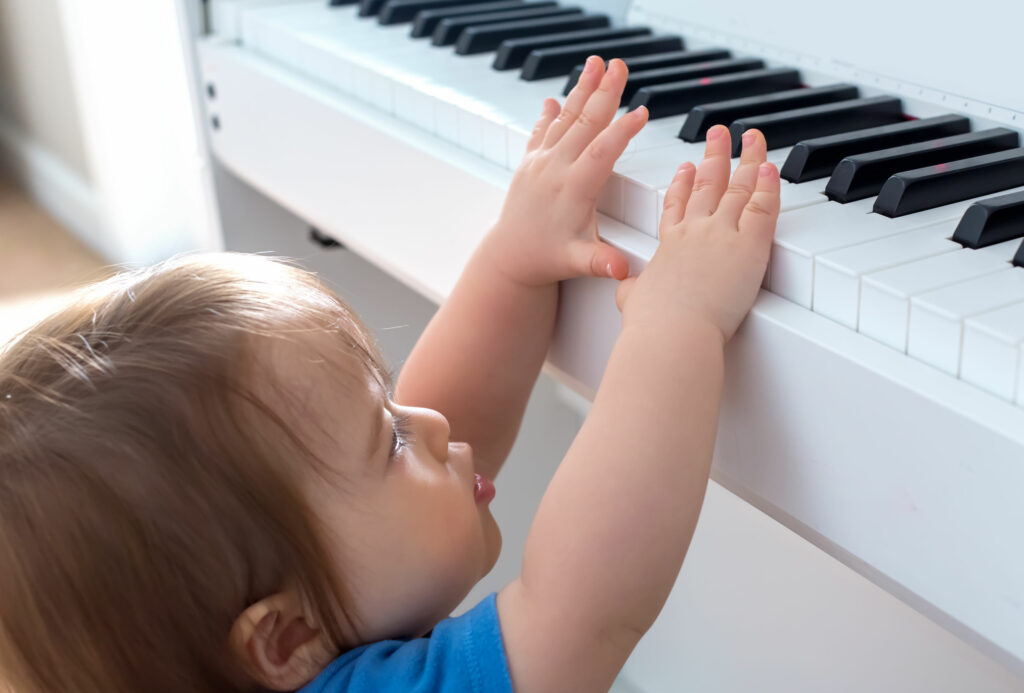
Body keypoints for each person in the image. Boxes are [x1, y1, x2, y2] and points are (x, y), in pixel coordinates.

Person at [0, 56, 779, 692]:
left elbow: (435, 430)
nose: (433, 423)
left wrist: (513, 260)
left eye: (393, 407)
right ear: (286, 637)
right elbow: (585, 610)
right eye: (394, 438)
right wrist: (681, 319)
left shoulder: (283, 628)